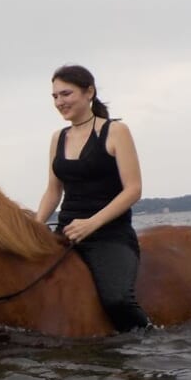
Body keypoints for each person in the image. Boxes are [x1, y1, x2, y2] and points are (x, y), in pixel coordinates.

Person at [35, 64, 151, 332]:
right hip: (66, 233)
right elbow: (54, 191)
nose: (59, 102)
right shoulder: (58, 138)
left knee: (117, 299)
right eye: (55, 96)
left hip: (109, 235)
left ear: (89, 92)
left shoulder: (115, 131)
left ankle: (151, 342)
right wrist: (37, 223)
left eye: (66, 94)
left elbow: (133, 189)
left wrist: (91, 223)